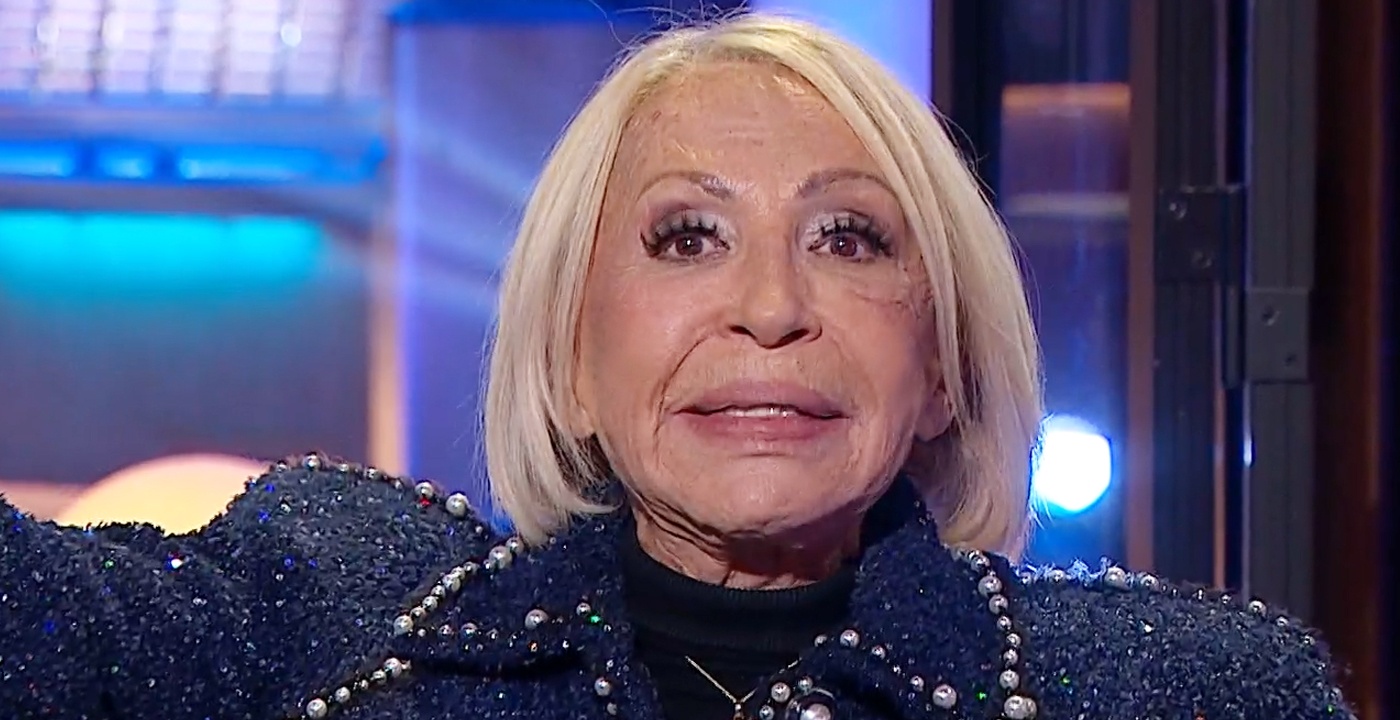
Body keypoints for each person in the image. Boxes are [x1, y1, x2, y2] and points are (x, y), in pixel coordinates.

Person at [0, 12, 1353, 720]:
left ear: (941, 363)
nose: (769, 308)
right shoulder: (336, 613)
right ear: (570, 361)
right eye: (686, 237)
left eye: (847, 238)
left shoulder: (1179, 689)